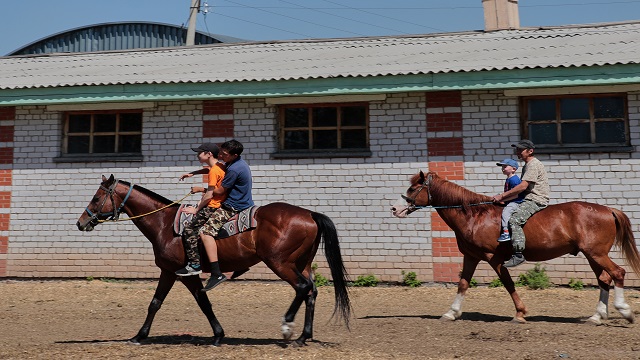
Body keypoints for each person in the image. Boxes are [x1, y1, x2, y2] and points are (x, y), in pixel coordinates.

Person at [199, 139, 254, 291]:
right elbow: (215, 169)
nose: (221, 155)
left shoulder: (235, 169)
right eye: (221, 152)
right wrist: (194, 173)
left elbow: (219, 191)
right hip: (245, 202)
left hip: (233, 206)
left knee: (205, 232)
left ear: (234, 155)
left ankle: (216, 273)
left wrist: (201, 189)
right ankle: (240, 264)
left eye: (224, 154)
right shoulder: (236, 163)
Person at [492, 140, 549, 268]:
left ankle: (518, 254)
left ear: (530, 151)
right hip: (528, 197)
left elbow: (523, 186)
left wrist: (502, 196)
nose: (518, 152)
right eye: (517, 150)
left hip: (536, 199)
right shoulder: (527, 165)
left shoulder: (533, 165)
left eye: (520, 150)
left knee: (514, 220)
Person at [175, 143, 227, 277]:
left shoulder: (214, 171)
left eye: (200, 152)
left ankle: (194, 265)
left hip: (213, 206)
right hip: (219, 203)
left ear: (209, 154)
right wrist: (192, 173)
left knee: (189, 230)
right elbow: (208, 170)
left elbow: (209, 195)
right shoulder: (219, 166)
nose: (198, 155)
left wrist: (196, 209)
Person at [495, 158, 524, 242]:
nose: (503, 168)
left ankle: (506, 233)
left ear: (514, 169)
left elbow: (515, 195)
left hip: (516, 202)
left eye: (505, 166)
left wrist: (502, 199)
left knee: (505, 213)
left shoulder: (514, 180)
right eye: (502, 167)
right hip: (510, 201)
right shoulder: (509, 179)